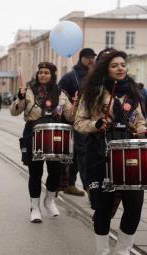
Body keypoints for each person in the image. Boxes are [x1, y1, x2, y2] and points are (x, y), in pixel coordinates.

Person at [75, 50, 145, 255]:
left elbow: (140, 121)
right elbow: (79, 122)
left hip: (129, 155)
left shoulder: (133, 92)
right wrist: (95, 124)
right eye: (115, 65)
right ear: (106, 68)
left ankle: (123, 252)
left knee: (134, 206)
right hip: (100, 154)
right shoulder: (92, 92)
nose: (121, 68)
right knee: (103, 208)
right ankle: (102, 253)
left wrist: (142, 129)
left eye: (123, 64)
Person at [10, 62, 74, 223]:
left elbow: (71, 116)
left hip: (55, 134)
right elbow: (14, 111)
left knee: (55, 171)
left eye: (46, 72)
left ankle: (49, 200)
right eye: (40, 72)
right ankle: (35, 207)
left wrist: (77, 106)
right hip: (33, 132)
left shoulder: (60, 93)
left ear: (52, 75)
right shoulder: (29, 91)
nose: (43, 75)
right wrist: (20, 98)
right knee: (35, 172)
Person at [58, 48, 97, 197]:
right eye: (88, 57)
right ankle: (88, 186)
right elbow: (60, 94)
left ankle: (70, 184)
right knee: (82, 152)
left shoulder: (93, 76)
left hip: (92, 119)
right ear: (82, 58)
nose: (91, 60)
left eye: (93, 57)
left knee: (76, 154)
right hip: (75, 120)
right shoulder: (70, 77)